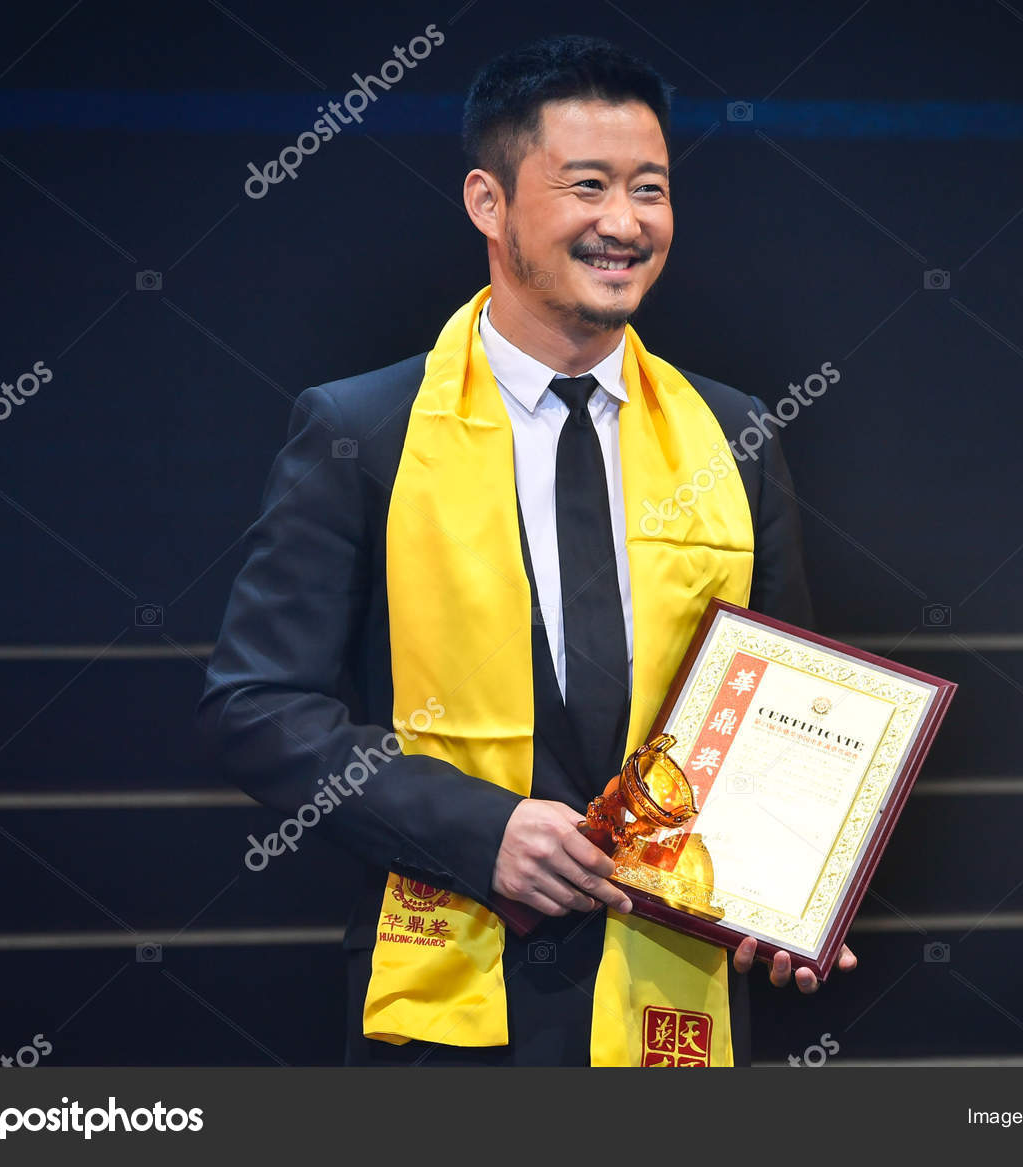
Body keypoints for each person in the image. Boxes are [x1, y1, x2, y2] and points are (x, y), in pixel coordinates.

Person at [197, 33, 853, 1068]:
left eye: (650, 189)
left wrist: (797, 889)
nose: (624, 223)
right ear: (488, 203)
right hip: (450, 1004)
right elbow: (256, 711)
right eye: (586, 186)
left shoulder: (732, 436)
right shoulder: (363, 429)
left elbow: (790, 713)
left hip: (670, 1007)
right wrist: (476, 830)